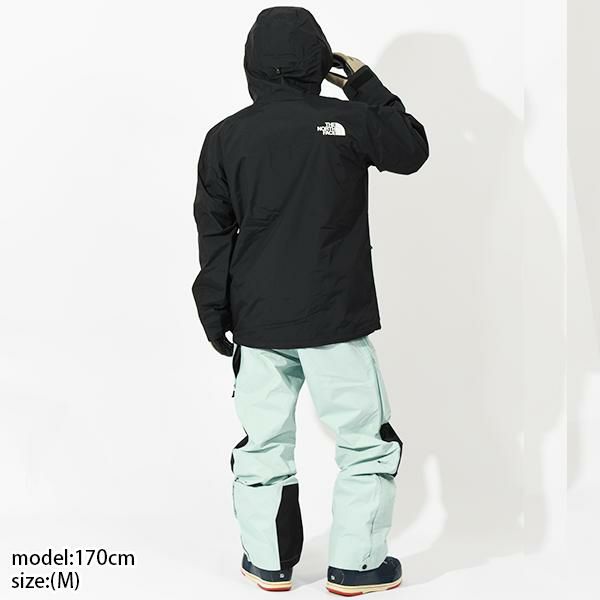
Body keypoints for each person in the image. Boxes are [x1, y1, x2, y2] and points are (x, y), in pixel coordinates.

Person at [192, 6, 428, 595]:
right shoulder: (349, 120)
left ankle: (268, 562)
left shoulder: (225, 137)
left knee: (264, 444)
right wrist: (365, 83)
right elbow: (411, 149)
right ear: (320, 64)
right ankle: (357, 565)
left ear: (251, 65)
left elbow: (214, 234)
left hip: (258, 322)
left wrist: (215, 311)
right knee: (365, 444)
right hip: (334, 320)